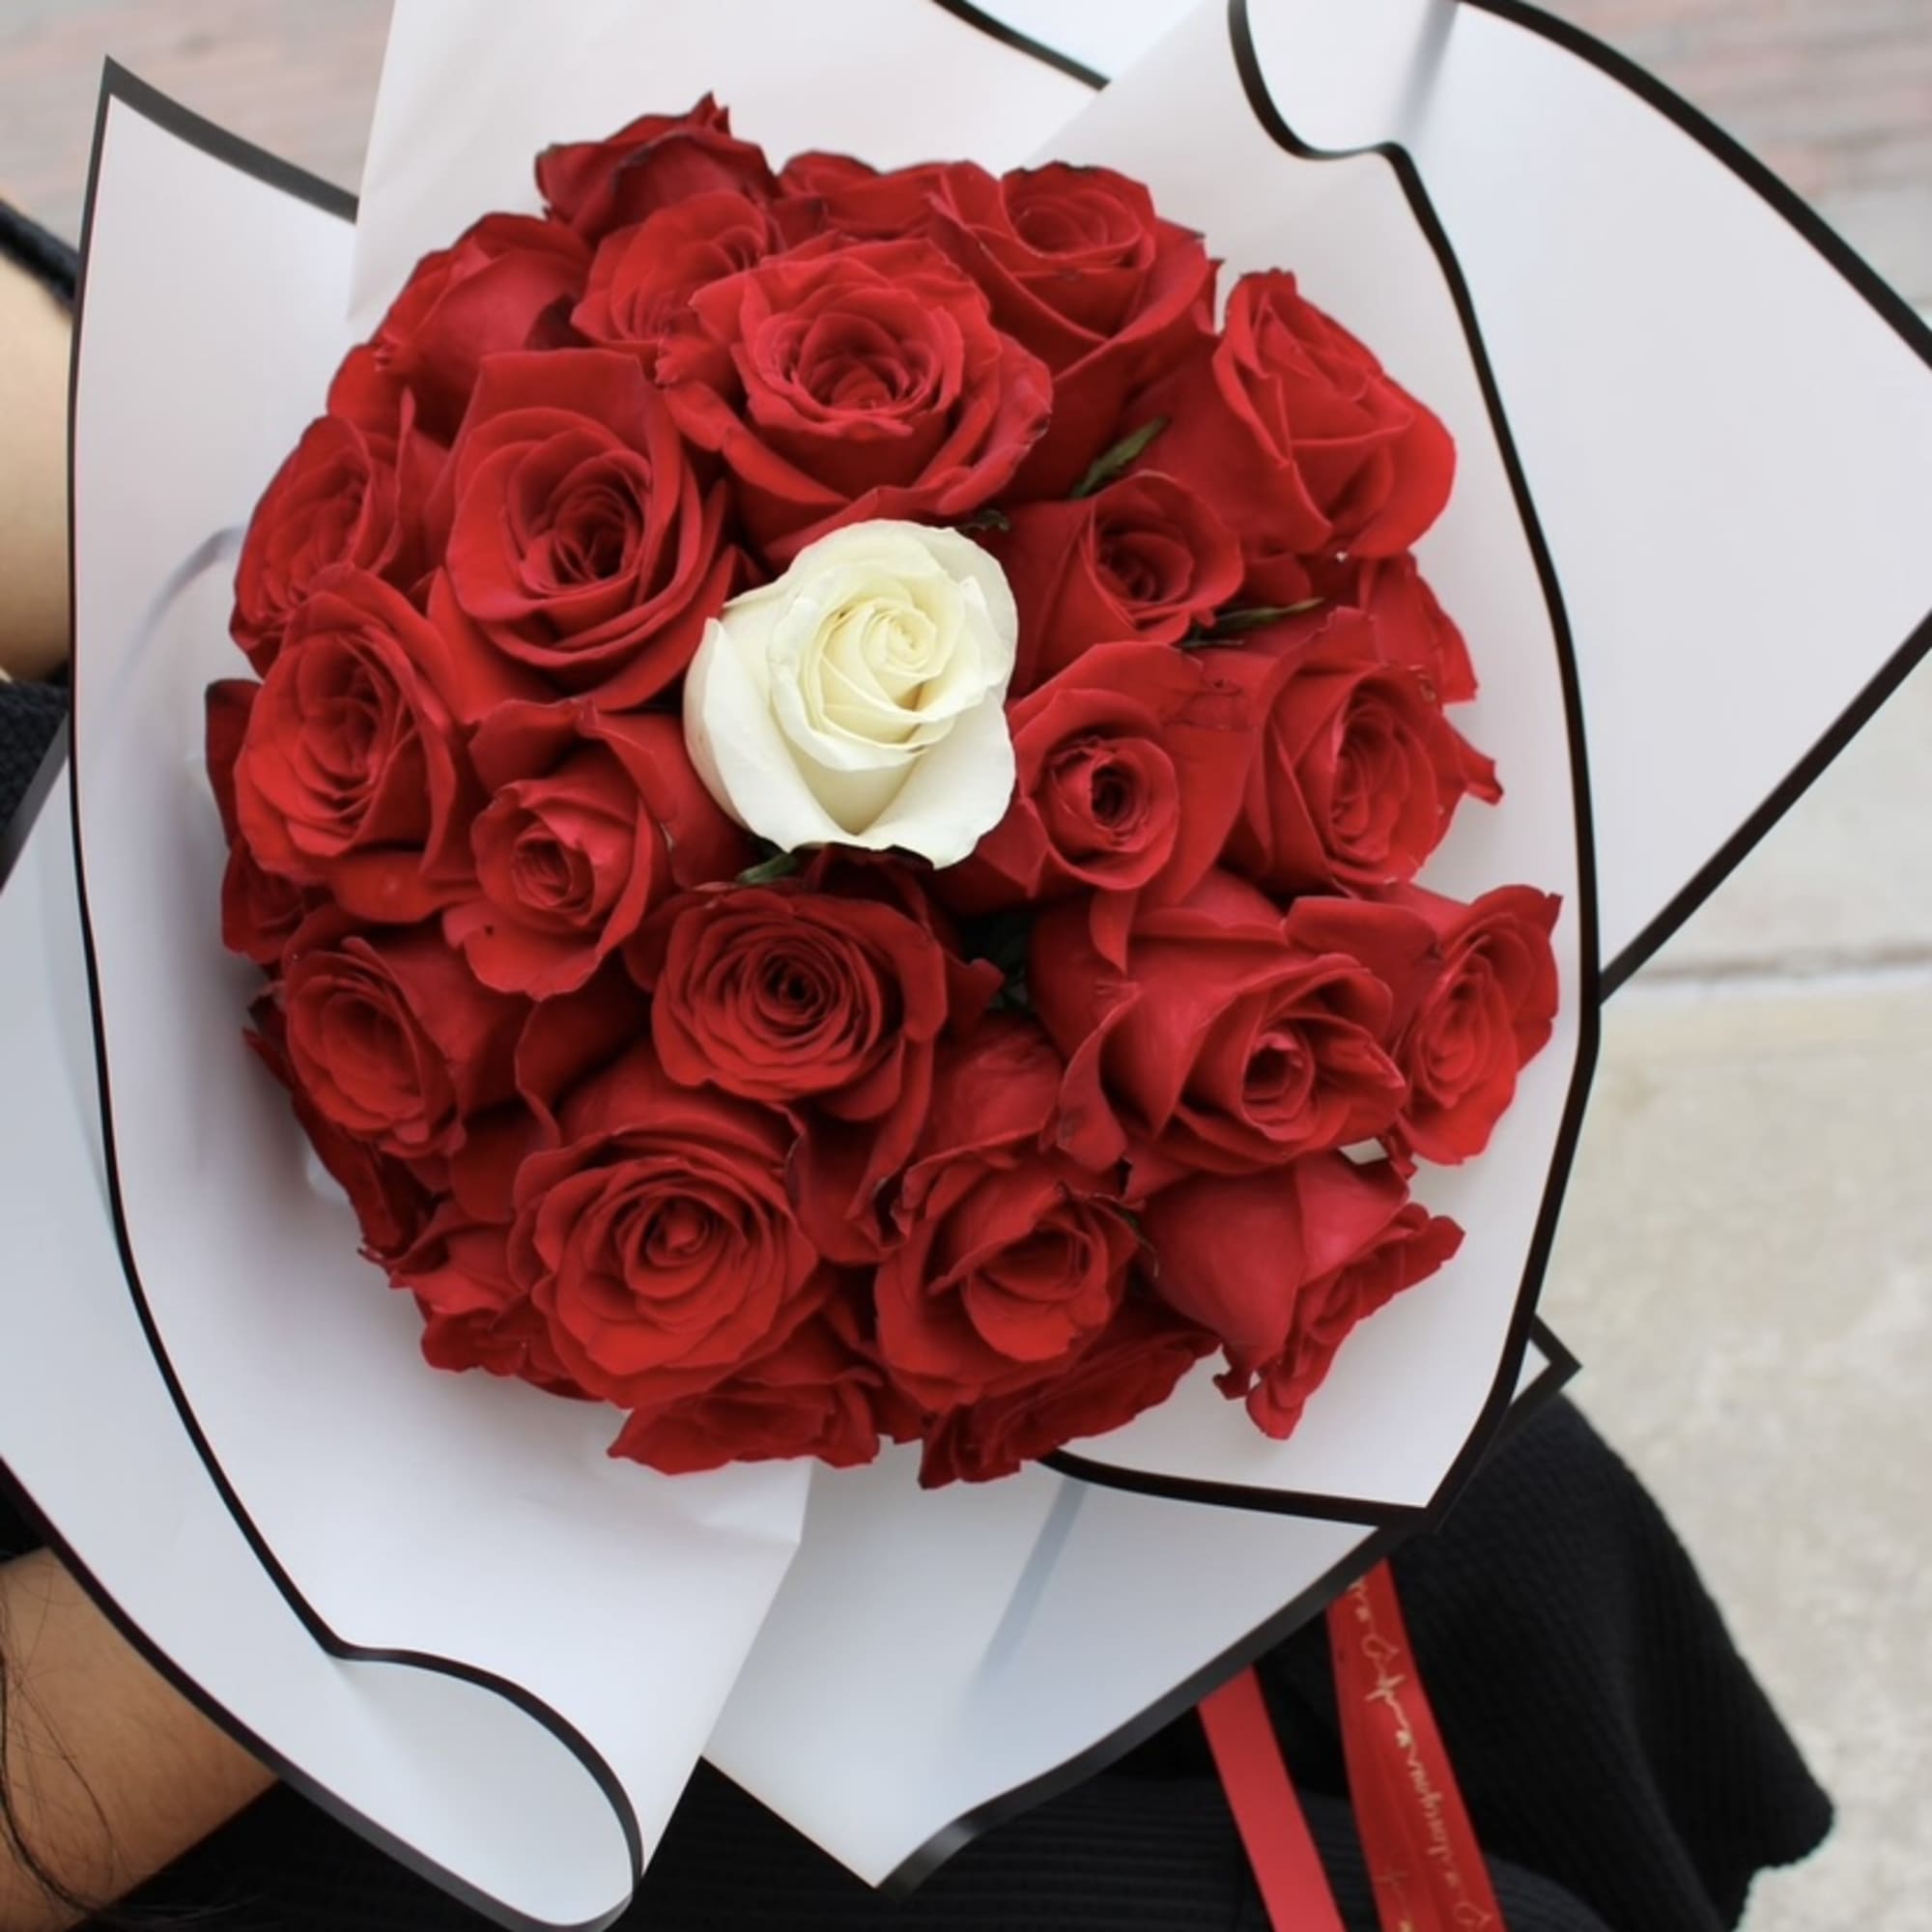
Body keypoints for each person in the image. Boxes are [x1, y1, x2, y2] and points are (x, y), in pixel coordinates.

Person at [0, 200, 1831, 1932]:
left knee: (1501, 1535)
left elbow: (141, 500)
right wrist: (460, 1450)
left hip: (372, 1028)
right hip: (210, 1653)